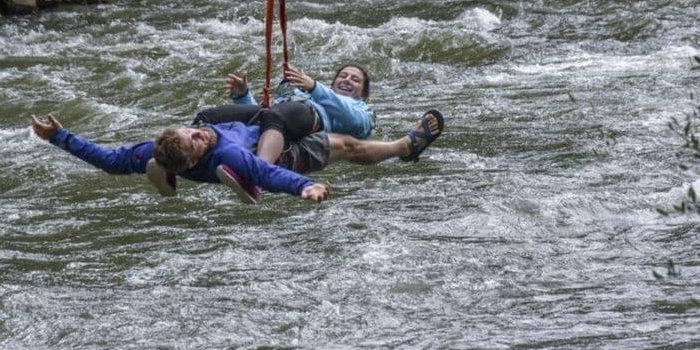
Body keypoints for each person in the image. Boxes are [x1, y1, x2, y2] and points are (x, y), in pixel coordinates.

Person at [29, 106, 444, 203]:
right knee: (346, 146)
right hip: (282, 158)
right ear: (195, 159)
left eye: (191, 130)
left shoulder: (153, 149)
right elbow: (267, 171)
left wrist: (60, 136)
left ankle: (166, 178)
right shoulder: (224, 152)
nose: (200, 133)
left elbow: (107, 160)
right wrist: (306, 187)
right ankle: (404, 148)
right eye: (196, 140)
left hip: (237, 148)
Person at [226, 63, 375, 167]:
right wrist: (243, 96)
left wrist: (315, 87)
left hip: (305, 117)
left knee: (277, 114)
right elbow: (262, 116)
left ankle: (260, 169)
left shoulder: (362, 110)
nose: (347, 80)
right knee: (213, 116)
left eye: (355, 79)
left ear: (363, 94)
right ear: (334, 83)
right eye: (343, 76)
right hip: (279, 116)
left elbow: (354, 121)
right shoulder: (310, 93)